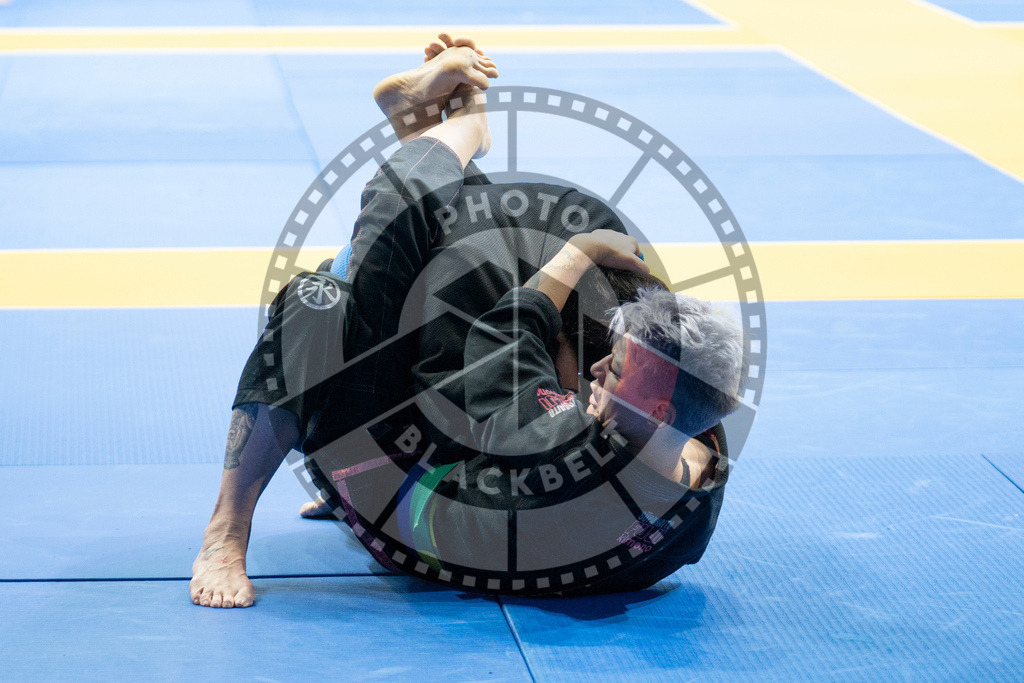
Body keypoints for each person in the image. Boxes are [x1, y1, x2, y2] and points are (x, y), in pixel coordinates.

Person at [190, 35, 743, 608]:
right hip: (467, 444)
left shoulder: (566, 455)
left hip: (380, 474)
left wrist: (578, 252)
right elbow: (673, 374)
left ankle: (226, 531)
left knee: (329, 292)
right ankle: (435, 138)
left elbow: (499, 340)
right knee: (565, 269)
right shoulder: (697, 463)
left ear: (657, 411)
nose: (601, 366)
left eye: (618, 369)